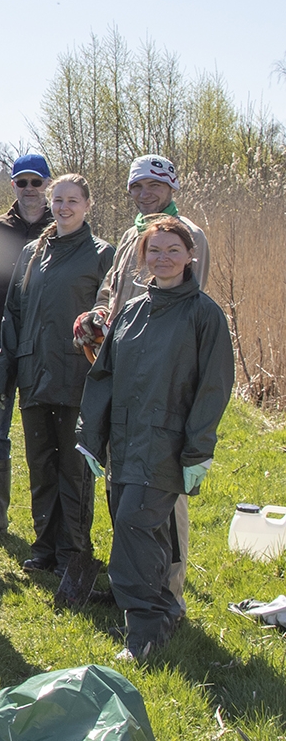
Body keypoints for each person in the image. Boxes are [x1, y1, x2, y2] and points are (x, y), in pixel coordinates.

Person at [77, 218, 233, 660]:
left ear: (190, 256)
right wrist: (92, 435)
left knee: (135, 528)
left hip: (167, 446)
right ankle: (162, 613)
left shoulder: (204, 315)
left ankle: (143, 633)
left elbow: (213, 388)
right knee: (146, 529)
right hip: (124, 443)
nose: (163, 258)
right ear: (142, 258)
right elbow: (103, 375)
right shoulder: (131, 310)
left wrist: (199, 449)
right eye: (154, 250)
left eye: (172, 250)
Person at [75, 154, 211, 609]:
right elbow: (111, 294)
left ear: (171, 187)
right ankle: (129, 582)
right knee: (124, 482)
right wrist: (97, 317)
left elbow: (187, 306)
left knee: (161, 493)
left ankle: (166, 592)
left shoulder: (187, 236)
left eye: (154, 185)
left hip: (164, 381)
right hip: (123, 374)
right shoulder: (132, 236)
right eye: (137, 186)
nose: (144, 193)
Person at [0, 176, 115, 576]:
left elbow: (109, 314)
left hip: (78, 377)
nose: (63, 207)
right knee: (41, 466)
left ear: (87, 205)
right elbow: (14, 315)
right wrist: (5, 370)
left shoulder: (100, 254)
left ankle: (74, 551)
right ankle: (44, 547)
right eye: (58, 200)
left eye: (72, 201)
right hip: (34, 376)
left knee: (74, 471)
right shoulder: (30, 252)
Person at [0, 154, 55, 535]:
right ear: (13, 186)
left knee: (46, 430)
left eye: (37, 182)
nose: (30, 190)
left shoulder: (62, 225)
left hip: (46, 344)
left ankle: (48, 520)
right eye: (23, 182)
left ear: (48, 185)